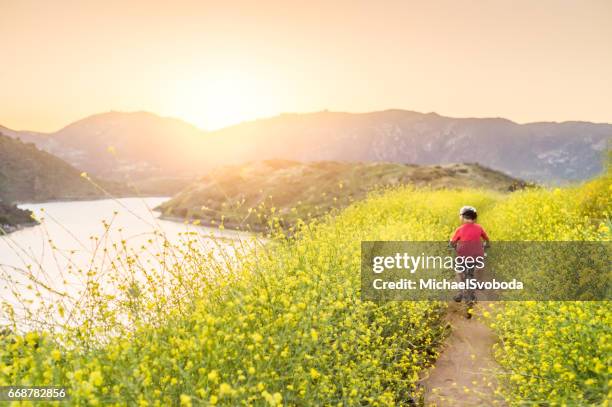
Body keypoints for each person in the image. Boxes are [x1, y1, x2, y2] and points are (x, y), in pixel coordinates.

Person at [449, 206, 490, 308]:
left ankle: (460, 292)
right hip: (477, 256)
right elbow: (486, 239)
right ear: (475, 218)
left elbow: (453, 242)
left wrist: (452, 245)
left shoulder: (459, 229)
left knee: (459, 271)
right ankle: (479, 283)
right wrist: (486, 245)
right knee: (480, 267)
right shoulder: (479, 228)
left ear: (462, 218)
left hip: (463, 256)